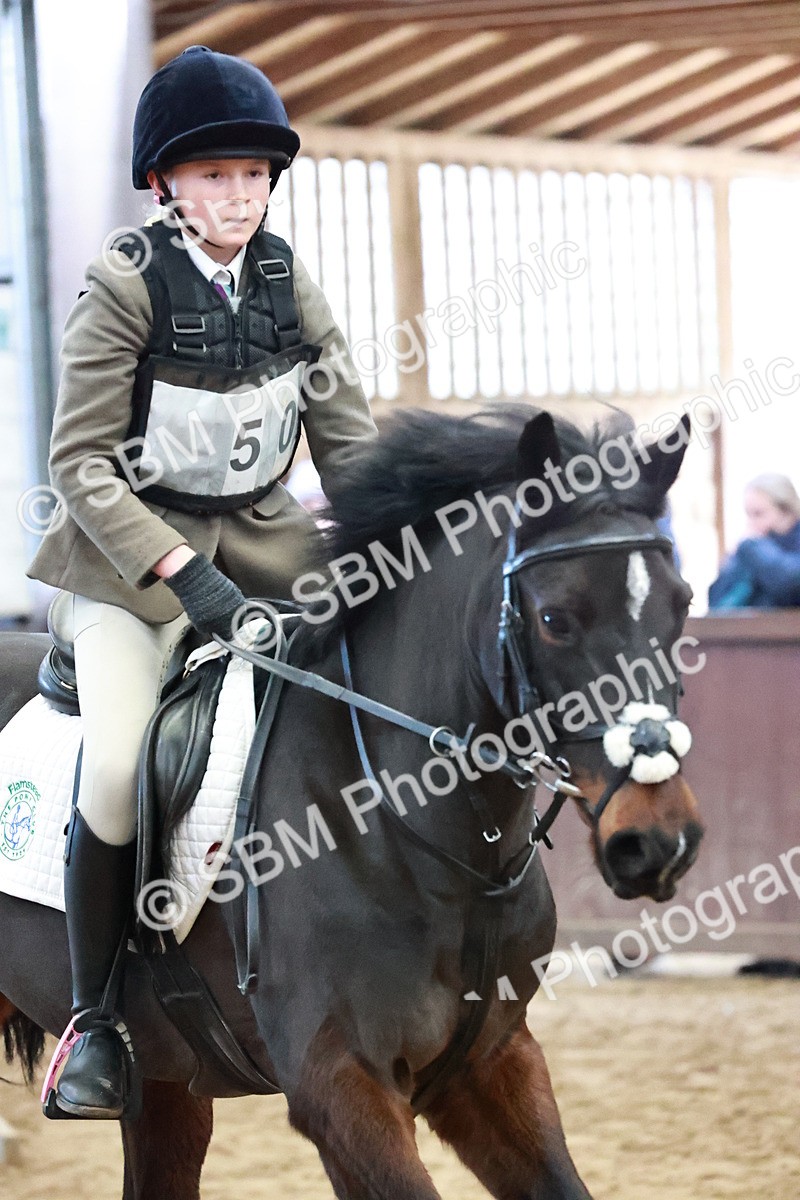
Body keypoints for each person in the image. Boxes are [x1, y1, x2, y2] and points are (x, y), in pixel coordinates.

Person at [27, 45, 376, 1119]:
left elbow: (348, 442)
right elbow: (78, 463)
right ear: (166, 183)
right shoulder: (123, 281)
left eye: (253, 175)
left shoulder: (286, 280)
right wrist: (185, 577)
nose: (237, 195)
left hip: (272, 553)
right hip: (129, 572)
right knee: (125, 764)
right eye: (214, 174)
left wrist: (389, 546)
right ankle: (93, 1021)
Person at [708, 473, 800, 608]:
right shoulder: (751, 550)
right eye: (748, 514)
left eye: (758, 514)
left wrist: (753, 547)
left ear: (786, 511)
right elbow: (717, 601)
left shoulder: (754, 548)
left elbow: (788, 583)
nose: (751, 524)